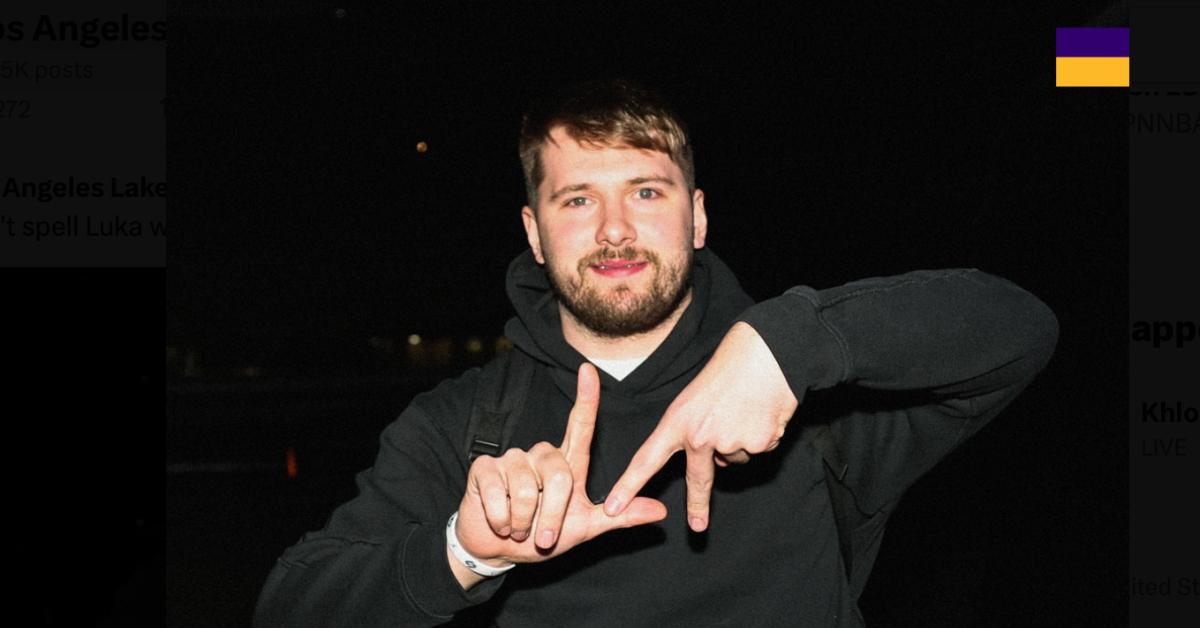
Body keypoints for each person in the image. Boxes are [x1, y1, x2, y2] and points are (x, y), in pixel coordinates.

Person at [253, 78, 1059, 627]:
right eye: (578, 199)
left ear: (698, 218)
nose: (613, 230)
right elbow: (288, 606)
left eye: (646, 191)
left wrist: (789, 343)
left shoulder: (813, 399)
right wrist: (464, 550)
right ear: (534, 235)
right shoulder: (465, 425)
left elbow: (1020, 327)